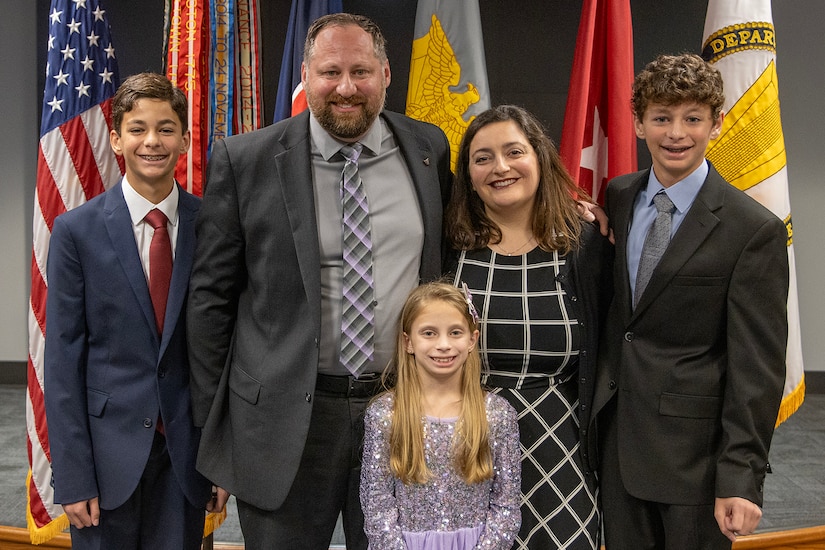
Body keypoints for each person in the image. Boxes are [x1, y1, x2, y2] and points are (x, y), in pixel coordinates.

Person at [186, 13, 452, 550]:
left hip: (400, 412)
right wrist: (215, 434)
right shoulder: (246, 160)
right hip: (283, 423)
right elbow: (210, 301)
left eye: (361, 71)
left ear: (386, 73)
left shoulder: (430, 149)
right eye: (330, 72)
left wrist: (571, 211)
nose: (347, 88)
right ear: (305, 76)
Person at [591, 53, 789, 549]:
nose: (676, 133)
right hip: (616, 445)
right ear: (639, 124)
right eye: (661, 118)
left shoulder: (752, 230)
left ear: (716, 123)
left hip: (694, 464)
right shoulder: (619, 195)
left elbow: (757, 367)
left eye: (692, 118)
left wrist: (740, 478)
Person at [43, 73, 217, 549]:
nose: (152, 141)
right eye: (138, 129)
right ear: (117, 138)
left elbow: (228, 348)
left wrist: (223, 459)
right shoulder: (76, 231)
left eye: (166, 128)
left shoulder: (216, 226)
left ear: (184, 137)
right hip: (104, 460)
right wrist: (73, 475)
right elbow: (62, 359)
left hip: (187, 456)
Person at [446, 104, 613, 549]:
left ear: (539, 157)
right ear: (468, 173)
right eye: (482, 158)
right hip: (464, 447)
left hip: (561, 447)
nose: (500, 167)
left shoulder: (585, 244)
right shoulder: (447, 246)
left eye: (514, 152)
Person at [360, 281, 521, 549]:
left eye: (455, 332)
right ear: (408, 342)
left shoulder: (497, 414)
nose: (444, 344)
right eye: (429, 333)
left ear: (472, 339)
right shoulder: (384, 415)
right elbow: (377, 507)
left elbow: (506, 507)